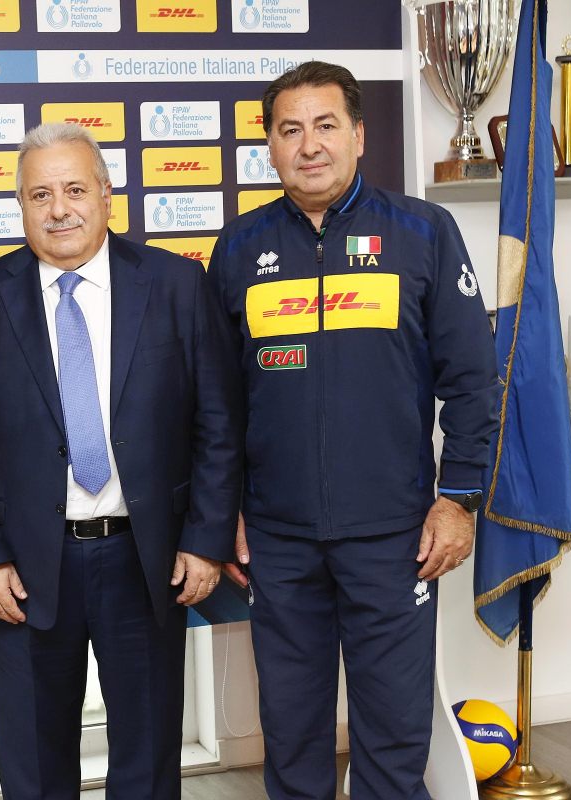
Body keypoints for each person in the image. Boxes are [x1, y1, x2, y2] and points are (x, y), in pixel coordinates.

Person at [208, 61, 499, 799]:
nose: (309, 145)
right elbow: (218, 402)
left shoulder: (424, 233)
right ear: (270, 146)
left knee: (395, 735)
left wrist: (458, 500)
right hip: (277, 539)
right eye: (290, 130)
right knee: (292, 733)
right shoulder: (237, 248)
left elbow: (473, 382)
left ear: (359, 136)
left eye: (326, 125)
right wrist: (225, 510)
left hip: (395, 536)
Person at [0, 122, 242, 799]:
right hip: (24, 571)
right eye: (40, 194)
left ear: (106, 195)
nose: (59, 209)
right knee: (35, 765)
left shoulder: (176, 284)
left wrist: (206, 540)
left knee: (149, 758)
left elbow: (218, 422)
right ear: (20, 206)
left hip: (146, 560)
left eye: (74, 189)